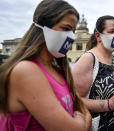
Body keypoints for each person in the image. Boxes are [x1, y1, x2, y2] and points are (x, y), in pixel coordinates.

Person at [0, 0, 91, 130]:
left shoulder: (57, 69)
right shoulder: (26, 70)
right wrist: (82, 119)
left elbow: (80, 106)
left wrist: (81, 119)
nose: (71, 37)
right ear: (42, 27)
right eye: (66, 29)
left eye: (73, 31)